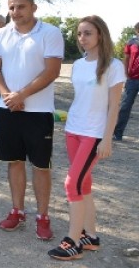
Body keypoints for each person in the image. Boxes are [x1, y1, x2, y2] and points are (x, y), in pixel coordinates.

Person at [47, 15, 125, 261]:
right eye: (79, 34)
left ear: (100, 34)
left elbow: (114, 106)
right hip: (74, 130)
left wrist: (107, 138)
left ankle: (73, 241)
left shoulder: (113, 65)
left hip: (94, 134)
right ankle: (90, 236)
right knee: (83, 184)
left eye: (88, 33)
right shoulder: (79, 65)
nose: (82, 38)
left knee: (72, 184)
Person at [0, 0, 64, 241]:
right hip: (8, 109)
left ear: (34, 7)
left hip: (38, 112)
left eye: (21, 6)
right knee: (14, 162)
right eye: (12, 7)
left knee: (41, 166)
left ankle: (42, 217)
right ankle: (17, 211)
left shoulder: (50, 32)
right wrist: (7, 95)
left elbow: (52, 71)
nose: (16, 11)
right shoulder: (1, 34)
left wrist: (21, 94)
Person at [113, 21, 139, 141]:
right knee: (125, 105)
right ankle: (117, 133)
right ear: (136, 31)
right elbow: (127, 58)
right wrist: (125, 73)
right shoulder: (131, 42)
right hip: (133, 79)